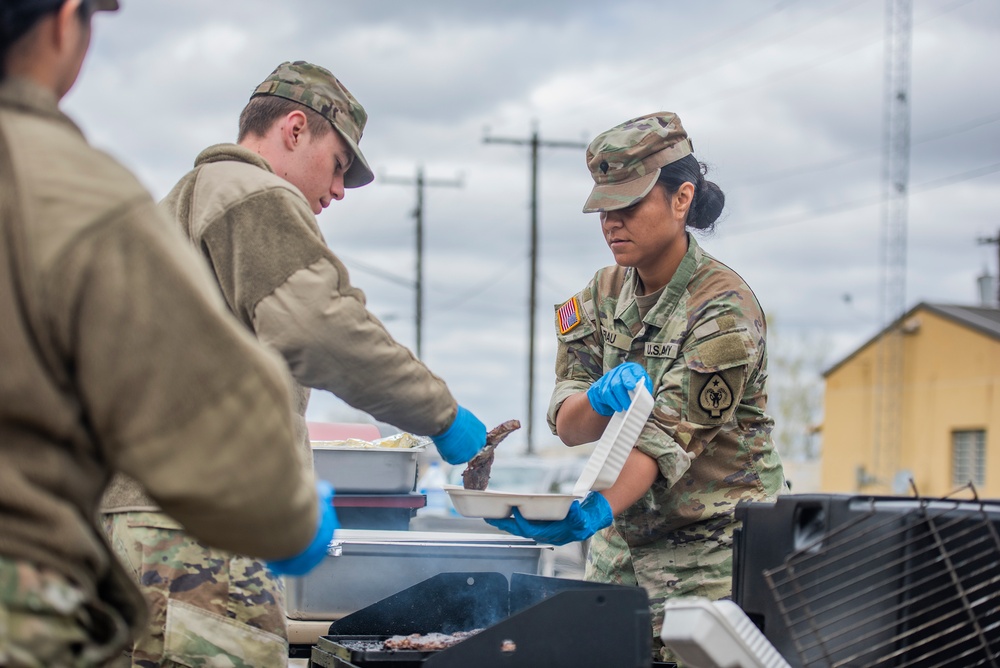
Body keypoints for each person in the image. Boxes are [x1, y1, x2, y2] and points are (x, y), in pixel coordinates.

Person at [100, 60, 488, 666]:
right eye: (338, 166)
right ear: (295, 128)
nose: (336, 191)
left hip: (134, 530)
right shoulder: (248, 193)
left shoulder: (171, 209)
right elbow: (321, 328)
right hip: (199, 537)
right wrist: (442, 415)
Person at [0, 2, 336, 666]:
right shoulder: (70, 190)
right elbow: (203, 398)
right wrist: (289, 508)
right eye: (338, 163)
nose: (339, 189)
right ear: (66, 21)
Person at [487, 112, 786, 662]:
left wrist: (590, 511)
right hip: (619, 557)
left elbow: (660, 442)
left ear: (681, 199)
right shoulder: (599, 295)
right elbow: (566, 422)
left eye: (628, 206)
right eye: (603, 208)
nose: (611, 223)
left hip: (709, 562)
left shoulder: (722, 308)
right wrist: (597, 398)